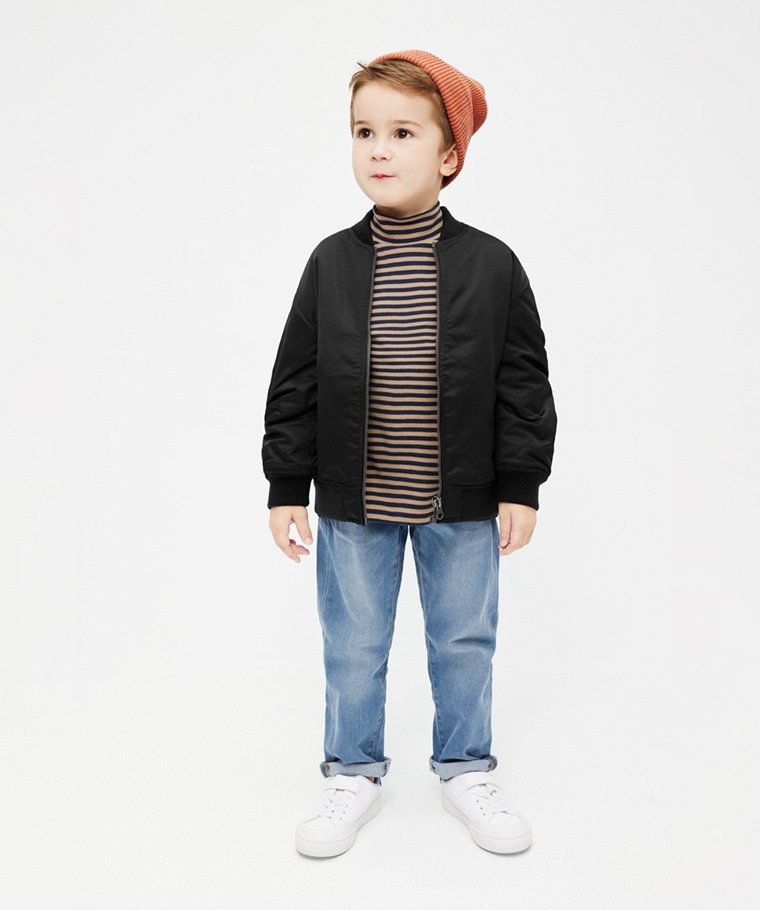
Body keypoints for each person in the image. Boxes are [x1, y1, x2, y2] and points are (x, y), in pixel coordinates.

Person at [261, 49, 557, 858]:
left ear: (450, 155)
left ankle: (465, 767)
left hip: (461, 498)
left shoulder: (492, 264)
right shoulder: (330, 262)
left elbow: (523, 382)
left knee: (463, 641)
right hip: (353, 501)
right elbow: (295, 379)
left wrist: (520, 484)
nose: (379, 150)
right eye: (364, 132)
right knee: (353, 644)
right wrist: (286, 483)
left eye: (402, 132)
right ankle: (351, 771)